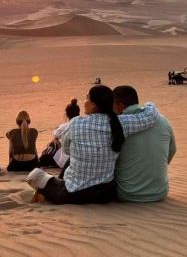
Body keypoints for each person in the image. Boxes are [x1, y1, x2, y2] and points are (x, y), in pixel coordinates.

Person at [25, 85, 160, 205]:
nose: (84, 102)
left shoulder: (76, 123)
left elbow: (66, 149)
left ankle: (45, 192)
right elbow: (151, 116)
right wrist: (149, 104)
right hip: (105, 194)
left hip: (74, 194)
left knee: (35, 174)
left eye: (87, 98)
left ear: (94, 105)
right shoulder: (120, 123)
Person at [112, 85, 177, 202]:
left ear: (120, 105)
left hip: (126, 193)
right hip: (160, 192)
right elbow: (172, 149)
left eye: (112, 105)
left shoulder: (119, 125)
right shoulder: (162, 120)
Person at [52, 98, 80, 171]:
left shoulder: (64, 126)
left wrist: (56, 128)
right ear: (79, 113)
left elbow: (55, 134)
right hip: (79, 157)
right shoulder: (82, 125)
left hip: (67, 161)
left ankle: (59, 159)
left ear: (66, 114)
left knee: (55, 139)